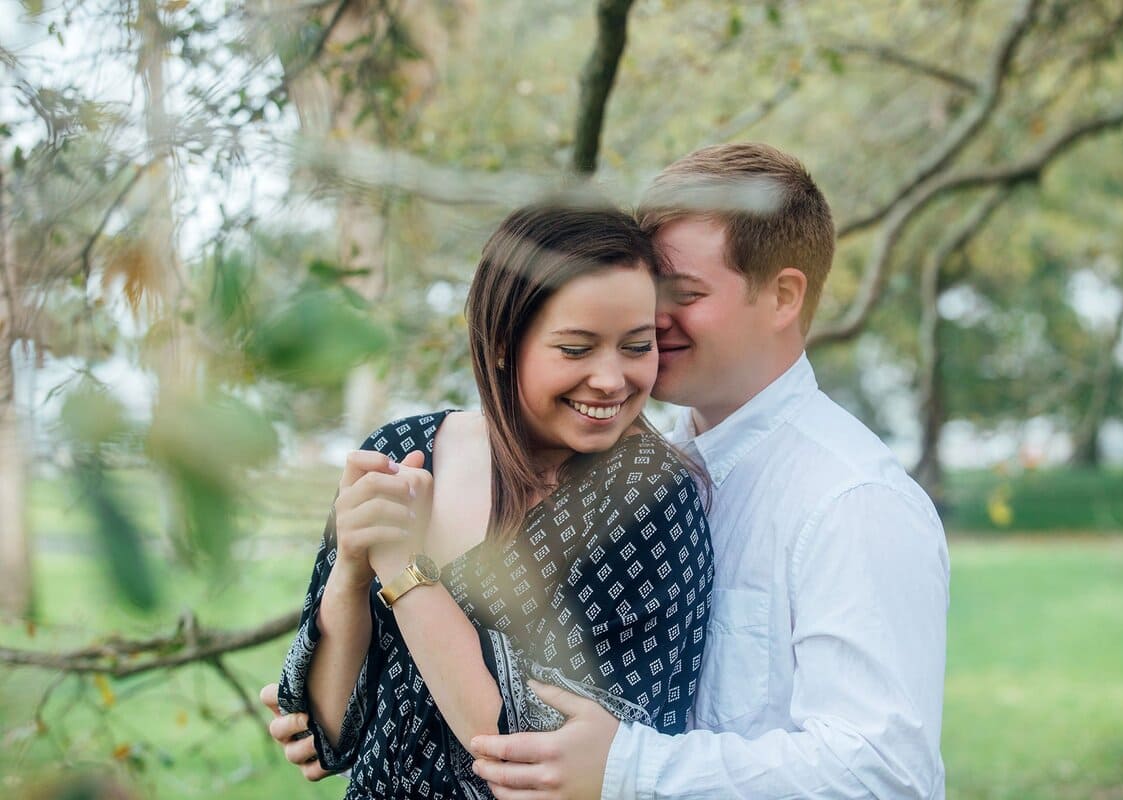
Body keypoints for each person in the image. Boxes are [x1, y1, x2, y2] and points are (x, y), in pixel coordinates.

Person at [465, 143, 951, 798]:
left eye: (684, 294)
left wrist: (628, 770)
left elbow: (883, 773)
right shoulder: (628, 470)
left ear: (782, 296)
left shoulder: (851, 499)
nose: (649, 319)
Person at [269, 201, 714, 799]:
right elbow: (325, 735)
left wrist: (403, 569)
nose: (611, 379)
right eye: (577, 349)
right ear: (503, 342)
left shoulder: (648, 500)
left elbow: (523, 757)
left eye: (636, 347)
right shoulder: (403, 451)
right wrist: (351, 567)